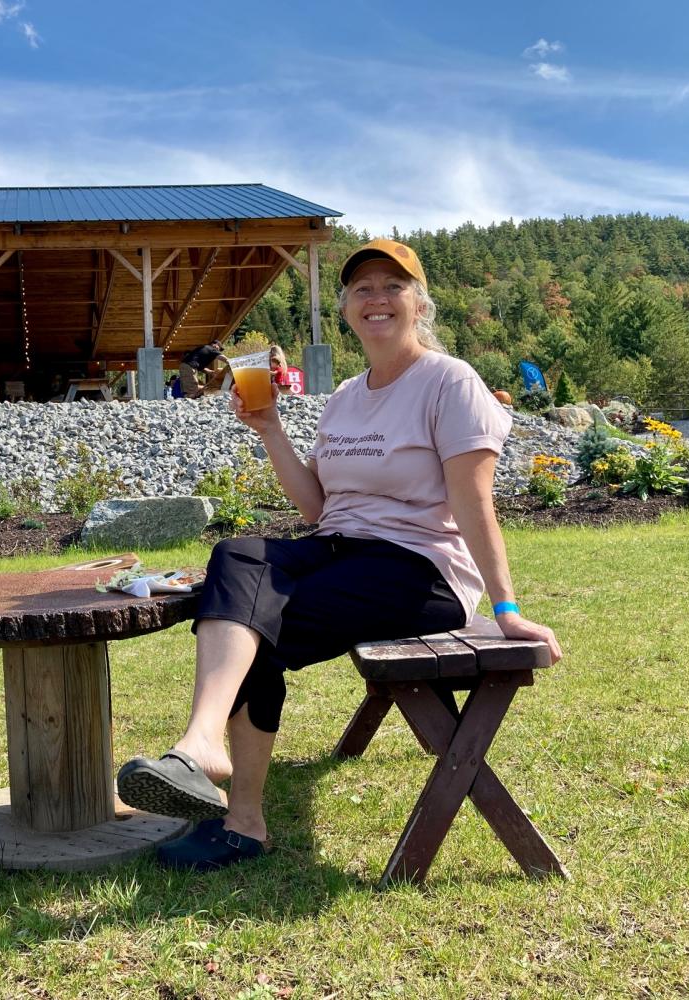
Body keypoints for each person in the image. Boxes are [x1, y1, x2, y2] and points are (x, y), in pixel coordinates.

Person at [116, 239, 562, 872]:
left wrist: (506, 607)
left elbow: (472, 502)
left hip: (419, 569)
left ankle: (239, 818)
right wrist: (270, 428)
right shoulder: (348, 396)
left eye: (392, 286)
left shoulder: (449, 381)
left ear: (418, 303)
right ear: (348, 309)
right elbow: (317, 509)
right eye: (362, 289)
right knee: (240, 557)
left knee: (252, 625)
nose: (376, 299)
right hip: (337, 547)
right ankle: (203, 746)